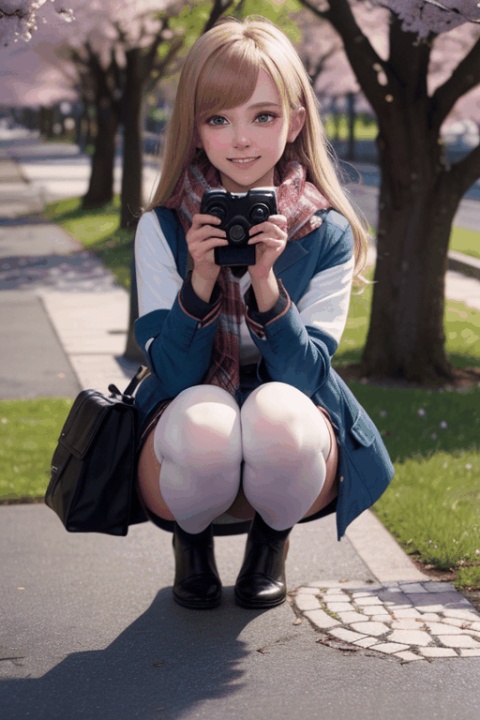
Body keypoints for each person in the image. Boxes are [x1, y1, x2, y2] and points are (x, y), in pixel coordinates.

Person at [133, 15, 394, 610]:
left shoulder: (329, 233)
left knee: (277, 410)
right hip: (185, 421)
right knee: (205, 417)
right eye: (219, 118)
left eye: (264, 116)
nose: (242, 139)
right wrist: (199, 282)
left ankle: (269, 544)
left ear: (295, 121)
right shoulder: (165, 227)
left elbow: (308, 377)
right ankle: (191, 544)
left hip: (293, 422)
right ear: (195, 130)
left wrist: (266, 282)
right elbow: (170, 376)